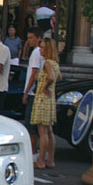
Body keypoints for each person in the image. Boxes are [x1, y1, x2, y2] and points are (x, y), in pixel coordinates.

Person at [30, 38, 61, 170]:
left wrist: (45, 86)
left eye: (42, 48)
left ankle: (41, 160)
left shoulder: (47, 63)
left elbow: (52, 77)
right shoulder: (55, 63)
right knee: (49, 130)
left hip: (43, 98)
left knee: (42, 131)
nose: (40, 50)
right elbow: (59, 77)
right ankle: (50, 159)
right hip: (50, 99)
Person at [21, 27, 45, 156]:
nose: (29, 40)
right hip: (36, 91)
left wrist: (26, 92)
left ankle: (32, 150)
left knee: (31, 124)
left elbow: (34, 72)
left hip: (33, 93)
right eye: (28, 38)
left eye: (31, 38)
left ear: (38, 38)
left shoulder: (36, 53)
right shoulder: (40, 52)